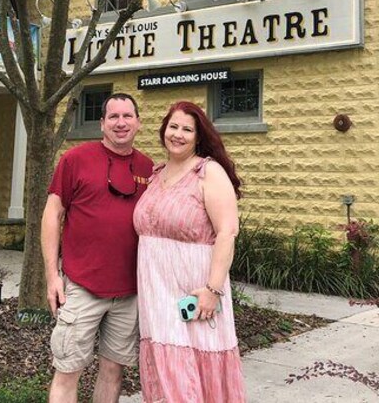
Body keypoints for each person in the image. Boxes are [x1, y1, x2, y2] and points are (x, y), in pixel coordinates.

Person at [41, 93, 154, 403]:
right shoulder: (75, 160)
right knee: (67, 370)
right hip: (81, 286)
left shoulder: (148, 168)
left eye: (127, 116)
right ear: (102, 124)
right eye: (113, 117)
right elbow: (52, 214)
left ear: (138, 123)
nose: (121, 123)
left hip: (128, 292)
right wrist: (52, 276)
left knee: (113, 371)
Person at [133, 101, 246, 402]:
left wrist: (213, 289)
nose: (178, 134)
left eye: (187, 129)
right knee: (167, 370)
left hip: (195, 290)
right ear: (163, 131)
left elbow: (227, 232)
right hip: (156, 294)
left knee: (198, 366)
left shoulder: (208, 172)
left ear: (198, 136)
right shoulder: (155, 175)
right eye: (173, 127)